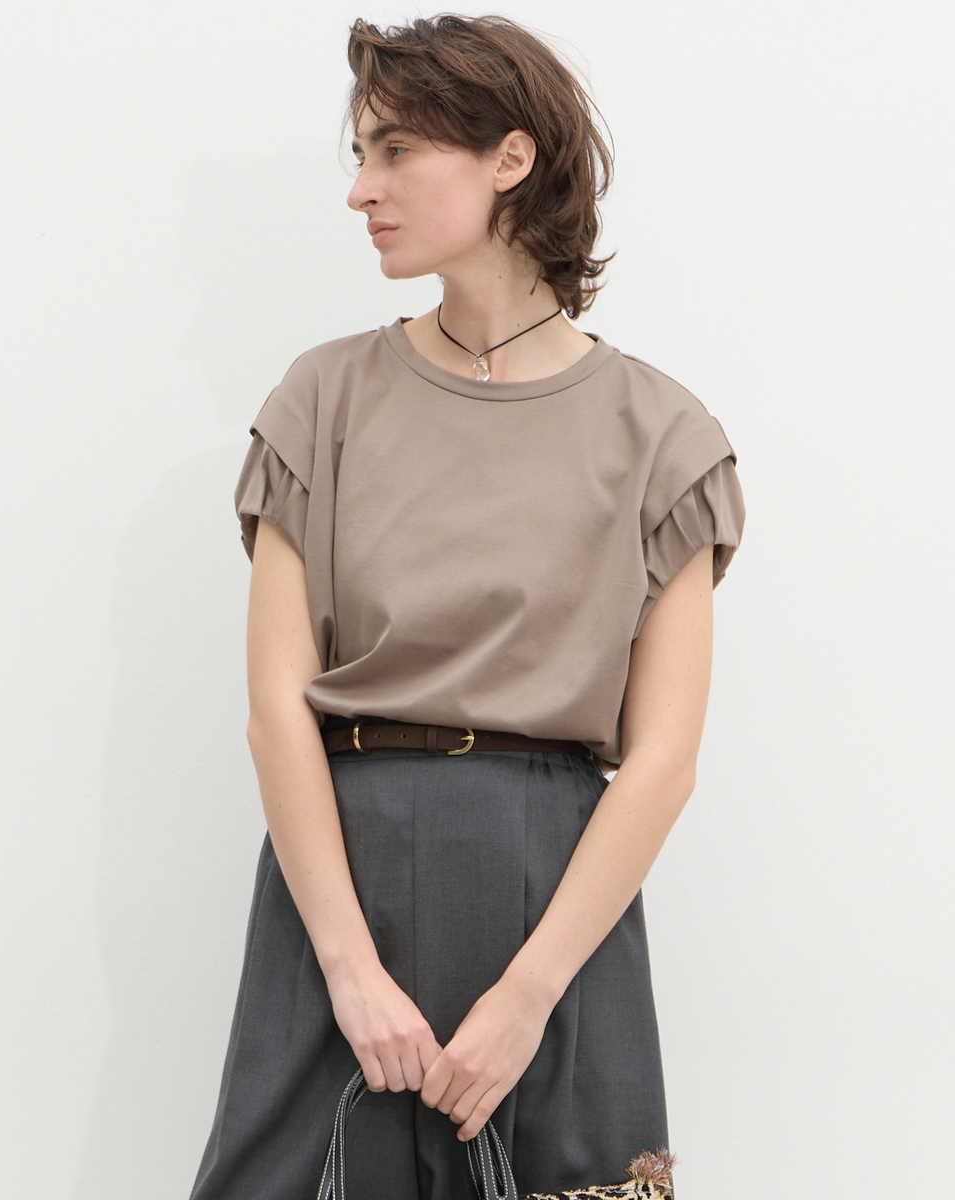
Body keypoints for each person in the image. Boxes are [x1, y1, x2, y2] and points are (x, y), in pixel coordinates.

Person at [189, 13, 745, 1200]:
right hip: (341, 888)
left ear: (510, 158)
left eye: (395, 150)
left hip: (553, 901)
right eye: (362, 154)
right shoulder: (323, 401)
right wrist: (350, 973)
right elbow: (277, 711)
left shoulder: (663, 437)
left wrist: (526, 997)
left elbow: (662, 762)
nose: (361, 189)